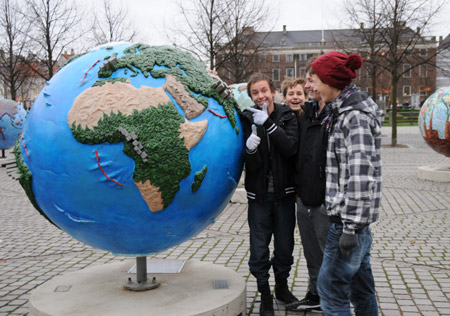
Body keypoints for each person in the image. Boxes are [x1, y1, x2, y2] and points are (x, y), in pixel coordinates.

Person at [310, 51, 382, 315]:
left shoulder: (355, 117)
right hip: (352, 224)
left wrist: (350, 228)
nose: (311, 85)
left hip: (347, 225)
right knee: (361, 290)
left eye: (314, 79)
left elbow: (361, 176)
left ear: (331, 81)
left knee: (330, 291)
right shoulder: (342, 111)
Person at [240, 73, 299, 316]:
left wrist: (269, 125)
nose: (261, 96)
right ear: (251, 96)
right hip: (259, 197)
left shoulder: (288, 115)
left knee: (284, 247)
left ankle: (282, 288)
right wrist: (250, 150)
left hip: (284, 196)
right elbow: (249, 165)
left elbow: (290, 148)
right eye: (255, 93)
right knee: (258, 249)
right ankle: (264, 293)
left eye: (264, 90)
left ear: (273, 90)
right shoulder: (247, 119)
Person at [288, 64, 332, 312]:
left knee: (329, 253)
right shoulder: (308, 113)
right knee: (312, 252)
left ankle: (332, 300)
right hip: (304, 197)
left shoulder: (335, 114)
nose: (306, 86)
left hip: (326, 200)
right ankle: (315, 294)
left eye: (310, 81)